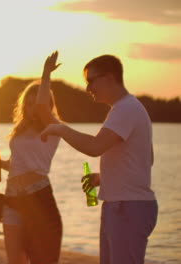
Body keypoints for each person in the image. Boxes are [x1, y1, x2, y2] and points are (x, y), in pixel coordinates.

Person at [41, 54, 158, 264]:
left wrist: (60, 129)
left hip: (128, 207)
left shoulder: (126, 108)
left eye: (91, 80)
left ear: (110, 77)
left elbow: (95, 147)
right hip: (121, 205)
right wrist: (104, 177)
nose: (88, 88)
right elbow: (146, 158)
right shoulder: (125, 109)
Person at [0, 51, 63, 264]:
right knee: (15, 260)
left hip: (38, 199)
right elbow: (18, 164)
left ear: (47, 106)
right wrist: (1, 164)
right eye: (28, 104)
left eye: (37, 104)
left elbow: (42, 105)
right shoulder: (19, 131)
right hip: (12, 199)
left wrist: (46, 74)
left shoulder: (53, 129)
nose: (33, 109)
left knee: (40, 259)